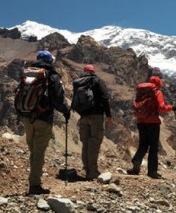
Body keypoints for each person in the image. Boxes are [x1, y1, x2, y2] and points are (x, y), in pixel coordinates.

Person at [21, 51, 70, 195]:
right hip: (43, 119)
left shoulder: (27, 74)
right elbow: (58, 99)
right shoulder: (53, 76)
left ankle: (34, 181)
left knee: (33, 151)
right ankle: (34, 186)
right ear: (50, 61)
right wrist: (66, 111)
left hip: (26, 118)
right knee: (38, 153)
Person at [127, 76, 176, 179]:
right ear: (159, 84)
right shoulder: (156, 92)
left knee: (143, 145)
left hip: (140, 122)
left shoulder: (141, 92)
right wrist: (171, 107)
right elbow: (162, 108)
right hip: (153, 122)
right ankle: (152, 171)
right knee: (153, 147)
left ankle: (136, 164)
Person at [74, 64, 113, 180]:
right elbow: (105, 98)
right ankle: (93, 172)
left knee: (85, 144)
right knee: (94, 143)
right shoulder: (97, 81)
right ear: (93, 72)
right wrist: (109, 115)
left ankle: (87, 170)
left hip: (83, 117)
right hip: (96, 117)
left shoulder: (78, 83)